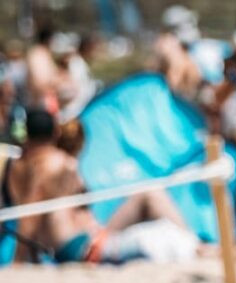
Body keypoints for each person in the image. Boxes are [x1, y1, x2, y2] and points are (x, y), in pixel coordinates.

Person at [9, 108, 199, 264]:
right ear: (55, 132)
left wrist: (28, 257)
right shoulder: (56, 163)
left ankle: (197, 246)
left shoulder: (19, 165)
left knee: (151, 208)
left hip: (77, 244)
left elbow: (33, 215)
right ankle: (198, 246)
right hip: (80, 246)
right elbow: (31, 212)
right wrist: (18, 261)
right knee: (152, 202)